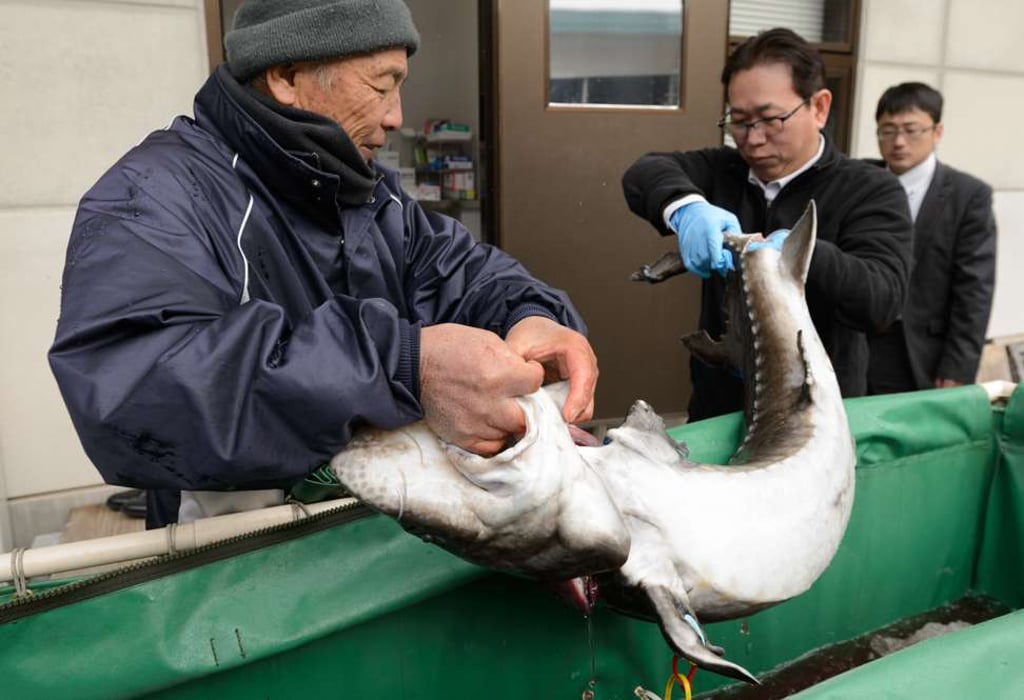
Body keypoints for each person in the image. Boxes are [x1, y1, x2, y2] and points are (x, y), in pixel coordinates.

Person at [48, 0, 597, 528]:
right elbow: (133, 392)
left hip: (383, 529)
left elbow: (468, 273)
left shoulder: (373, 196)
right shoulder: (152, 195)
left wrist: (533, 316)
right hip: (234, 564)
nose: (395, 117)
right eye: (381, 86)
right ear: (287, 76)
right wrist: (403, 364)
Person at [622, 27, 912, 421]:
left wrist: (799, 253)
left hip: (815, 416)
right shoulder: (723, 170)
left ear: (820, 107)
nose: (753, 139)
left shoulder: (871, 189)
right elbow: (645, 171)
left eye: (770, 119)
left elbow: (881, 299)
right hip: (718, 409)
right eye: (739, 121)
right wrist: (687, 208)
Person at [866, 82, 997, 393]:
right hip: (859, 345)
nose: (898, 142)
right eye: (887, 130)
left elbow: (974, 288)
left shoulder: (968, 195)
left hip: (923, 353)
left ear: (937, 132)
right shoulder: (860, 179)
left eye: (911, 130)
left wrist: (958, 367)